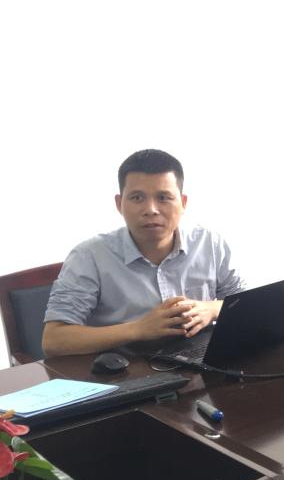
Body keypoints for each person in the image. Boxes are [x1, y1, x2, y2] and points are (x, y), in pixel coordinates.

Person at [42, 149, 245, 357]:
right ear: (119, 204)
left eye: (163, 197)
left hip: (201, 360)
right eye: (137, 198)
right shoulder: (89, 256)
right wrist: (138, 329)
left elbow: (246, 304)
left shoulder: (209, 243)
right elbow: (54, 340)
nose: (151, 210)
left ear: (183, 203)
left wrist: (211, 309)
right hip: (127, 367)